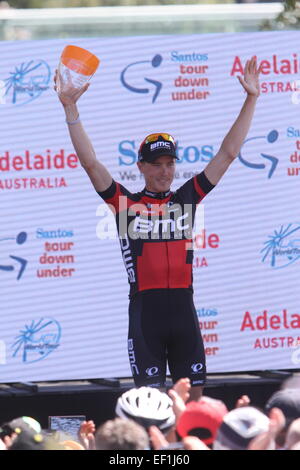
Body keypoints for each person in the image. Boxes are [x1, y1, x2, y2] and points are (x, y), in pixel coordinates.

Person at [54, 55, 261, 401]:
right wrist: (71, 110)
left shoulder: (186, 199)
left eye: (170, 163)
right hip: (145, 314)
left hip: (184, 310)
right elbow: (90, 163)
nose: (165, 171)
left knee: (193, 403)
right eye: (157, 164)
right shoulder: (125, 205)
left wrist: (251, 98)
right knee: (150, 406)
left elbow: (228, 153)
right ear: (142, 167)